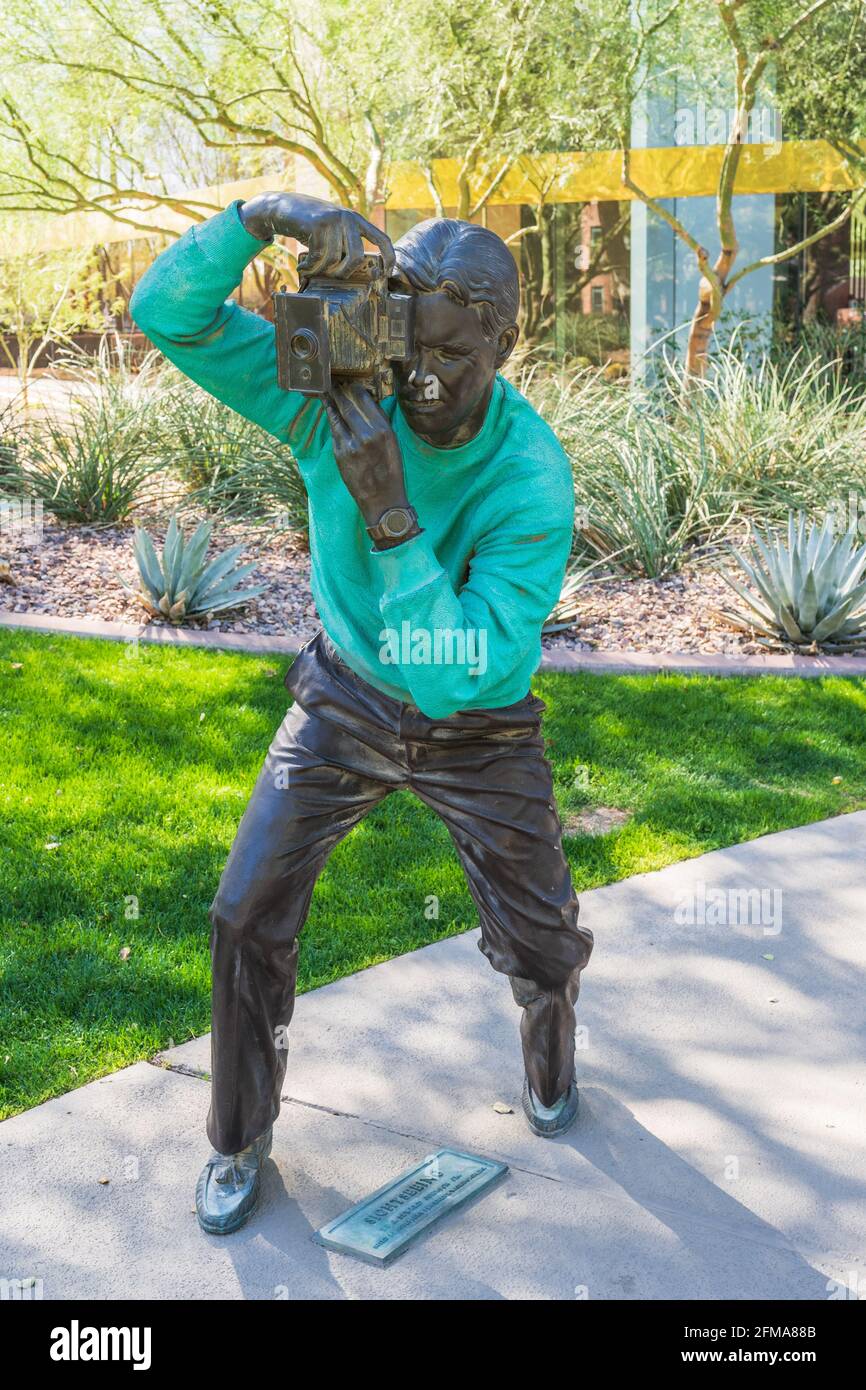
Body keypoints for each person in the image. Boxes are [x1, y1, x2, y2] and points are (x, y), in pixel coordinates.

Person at [130, 190, 594, 1236]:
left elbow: (458, 669)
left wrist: (388, 511)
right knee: (244, 912)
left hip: (474, 722)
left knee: (544, 938)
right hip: (345, 694)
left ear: (502, 343)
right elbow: (167, 313)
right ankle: (238, 1134)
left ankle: (547, 1028)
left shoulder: (529, 478)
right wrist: (261, 216)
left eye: (449, 358)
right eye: (404, 351)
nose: (418, 384)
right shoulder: (338, 391)